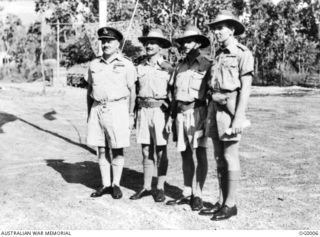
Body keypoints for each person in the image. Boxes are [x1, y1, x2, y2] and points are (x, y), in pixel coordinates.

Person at [199, 10, 254, 220]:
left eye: (221, 28)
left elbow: (246, 88)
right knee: (219, 157)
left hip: (230, 109)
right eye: (215, 29)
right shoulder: (219, 54)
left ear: (232, 29)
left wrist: (239, 117)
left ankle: (231, 204)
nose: (217, 32)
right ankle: (221, 201)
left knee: (231, 156)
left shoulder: (242, 53)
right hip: (215, 108)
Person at [87, 27, 137, 199]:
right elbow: (89, 91)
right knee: (101, 149)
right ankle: (105, 184)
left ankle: (116, 184)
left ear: (118, 44)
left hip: (117, 109)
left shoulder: (126, 64)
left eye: (109, 41)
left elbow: (132, 91)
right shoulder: (94, 64)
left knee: (117, 149)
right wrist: (89, 114)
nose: (105, 44)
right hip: (97, 108)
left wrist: (131, 115)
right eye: (103, 41)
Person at [165, 25, 211, 211]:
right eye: (183, 42)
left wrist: (209, 118)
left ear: (198, 43)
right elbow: (174, 95)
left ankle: (198, 194)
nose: (185, 45)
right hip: (180, 114)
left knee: (200, 152)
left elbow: (211, 94)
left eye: (189, 41)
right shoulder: (180, 66)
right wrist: (171, 117)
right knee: (185, 153)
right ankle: (187, 192)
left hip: (198, 113)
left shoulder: (207, 65)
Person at [129, 29, 173, 202]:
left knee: (161, 150)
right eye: (147, 42)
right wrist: (132, 114)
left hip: (160, 111)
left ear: (161, 46)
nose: (149, 45)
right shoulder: (139, 66)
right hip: (143, 110)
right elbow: (133, 91)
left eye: (153, 42)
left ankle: (160, 186)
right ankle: (146, 186)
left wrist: (171, 116)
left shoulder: (169, 67)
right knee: (146, 150)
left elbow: (173, 94)